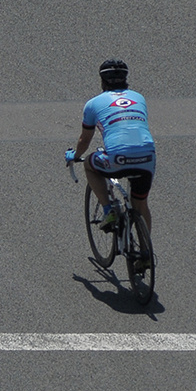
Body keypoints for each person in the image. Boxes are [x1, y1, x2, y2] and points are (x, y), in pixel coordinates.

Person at [68, 58, 157, 253]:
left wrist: (75, 155)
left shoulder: (93, 104)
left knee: (89, 165)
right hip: (147, 156)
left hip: (118, 157)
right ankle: (145, 254)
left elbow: (85, 140)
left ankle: (108, 210)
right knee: (140, 203)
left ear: (102, 80)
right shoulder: (139, 97)